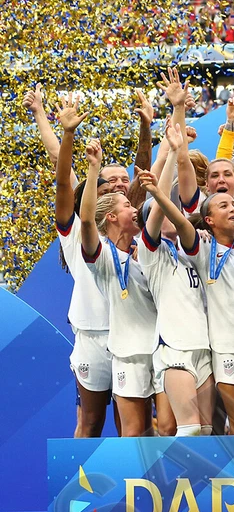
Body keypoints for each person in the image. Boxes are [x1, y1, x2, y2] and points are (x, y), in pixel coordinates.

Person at [137, 114, 215, 437]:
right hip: (174, 348)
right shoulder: (150, 254)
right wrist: (169, 153)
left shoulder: (190, 249)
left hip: (203, 346)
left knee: (207, 430)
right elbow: (160, 208)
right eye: (160, 214)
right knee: (190, 429)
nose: (172, 214)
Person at [80, 137, 159, 437]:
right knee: (135, 432)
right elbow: (87, 221)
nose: (135, 209)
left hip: (161, 348)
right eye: (128, 206)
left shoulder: (147, 250)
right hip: (128, 353)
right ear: (111, 217)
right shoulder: (101, 258)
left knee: (166, 427)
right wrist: (93, 170)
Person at [53, 96, 114, 437]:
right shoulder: (74, 231)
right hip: (92, 337)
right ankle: (79, 474)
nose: (110, 197)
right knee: (90, 423)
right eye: (100, 192)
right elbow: (64, 183)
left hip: (131, 335)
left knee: (135, 426)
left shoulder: (130, 232)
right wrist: (68, 135)